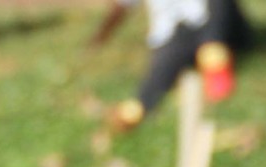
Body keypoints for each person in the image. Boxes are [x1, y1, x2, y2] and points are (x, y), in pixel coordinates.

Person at [95, 0, 249, 132]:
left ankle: (215, 60)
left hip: (208, 26)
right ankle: (135, 109)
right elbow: (122, 5)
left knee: (210, 29)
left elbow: (121, 7)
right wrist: (100, 36)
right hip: (173, 34)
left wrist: (102, 34)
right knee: (164, 66)